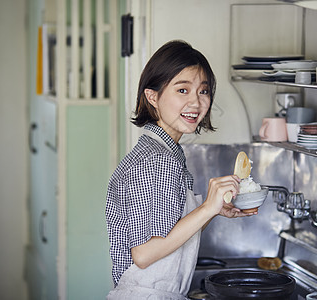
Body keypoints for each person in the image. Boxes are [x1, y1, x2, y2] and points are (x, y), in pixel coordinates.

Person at [105, 40, 257, 299]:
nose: (196, 103)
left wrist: (213, 211)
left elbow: (170, 235)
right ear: (152, 96)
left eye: (203, 91)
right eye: (183, 90)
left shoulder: (167, 154)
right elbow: (144, 254)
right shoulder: (157, 160)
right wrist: (207, 207)